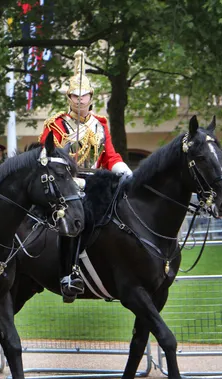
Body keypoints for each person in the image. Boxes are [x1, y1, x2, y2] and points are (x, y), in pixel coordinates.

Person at [39, 50, 132, 302]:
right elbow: (48, 159)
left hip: (97, 182)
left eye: (85, 96)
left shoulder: (100, 124)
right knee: (74, 218)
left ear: (91, 97)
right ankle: (68, 274)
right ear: (68, 98)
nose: (80, 101)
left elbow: (110, 156)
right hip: (66, 184)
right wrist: (70, 179)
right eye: (75, 96)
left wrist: (124, 171)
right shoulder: (56, 125)